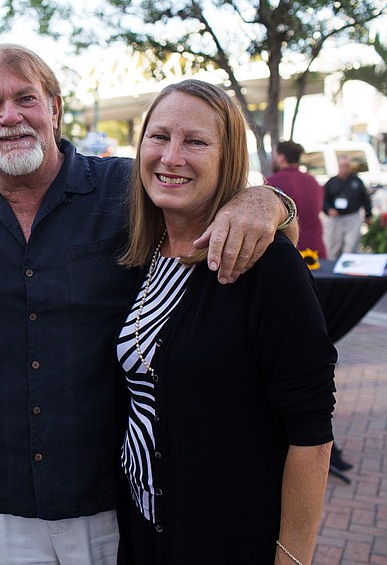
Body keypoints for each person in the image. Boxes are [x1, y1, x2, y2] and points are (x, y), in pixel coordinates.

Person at [0, 43, 297, 564]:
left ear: (55, 109)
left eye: (26, 99)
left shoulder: (126, 189)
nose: (9, 117)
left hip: (113, 502)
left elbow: (205, 191)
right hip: (0, 503)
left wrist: (266, 200)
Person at [116, 79, 335, 564]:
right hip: (145, 533)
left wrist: (292, 558)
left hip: (229, 539)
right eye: (158, 136)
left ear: (228, 156)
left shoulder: (266, 265)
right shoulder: (143, 255)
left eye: (195, 141)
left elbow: (313, 435)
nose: (171, 157)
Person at [267, 140, 328, 258]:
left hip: (288, 252)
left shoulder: (272, 182)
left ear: (282, 157)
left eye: (275, 155)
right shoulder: (312, 181)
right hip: (315, 249)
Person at [323, 155, 372, 258]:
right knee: (334, 247)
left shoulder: (357, 181)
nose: (344, 169)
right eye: (342, 166)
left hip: (352, 217)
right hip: (335, 219)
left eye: (347, 166)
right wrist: (328, 210)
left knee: (351, 246)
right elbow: (323, 199)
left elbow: (365, 199)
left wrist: (368, 215)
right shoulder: (331, 182)